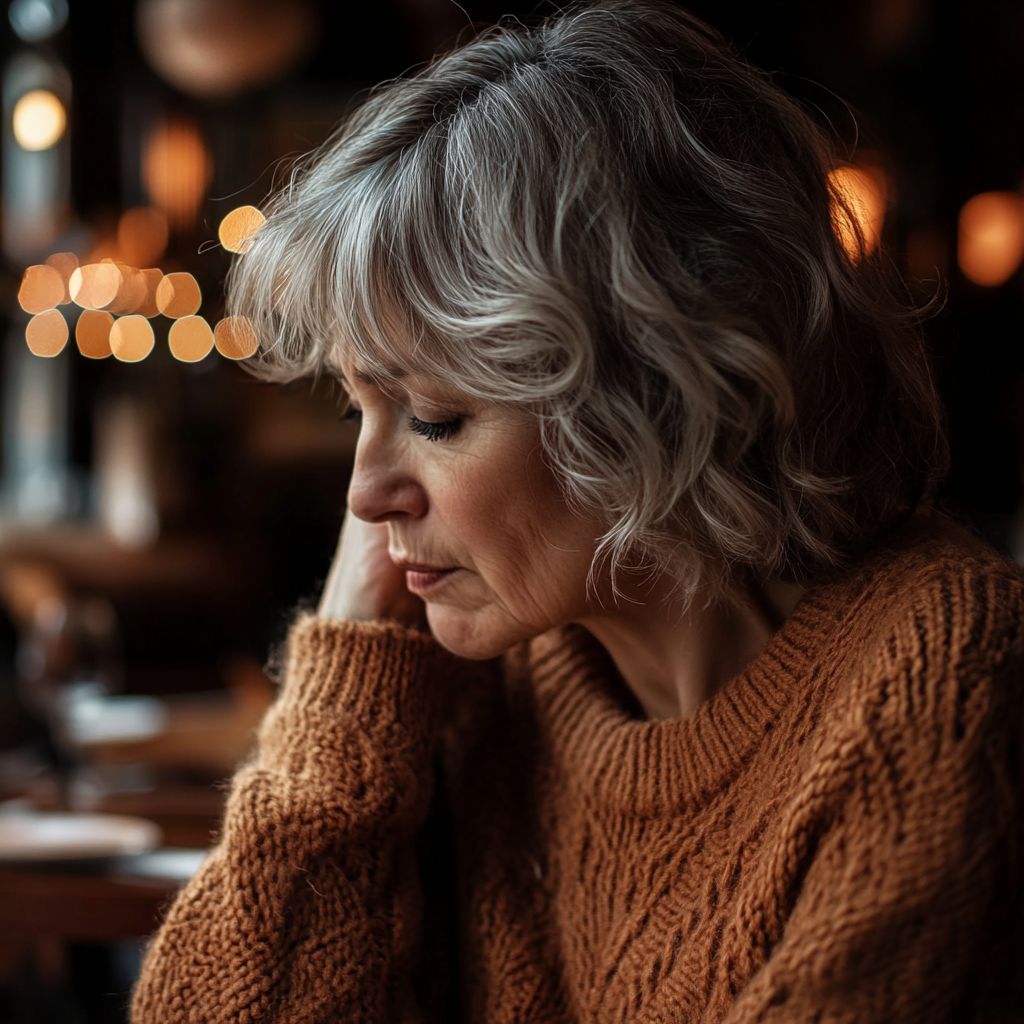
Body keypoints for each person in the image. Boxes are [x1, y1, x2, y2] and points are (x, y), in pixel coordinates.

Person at [131, 2, 1024, 1021]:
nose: (361, 491)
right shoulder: (480, 682)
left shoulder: (941, 673)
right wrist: (346, 666)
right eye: (358, 407)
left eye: (432, 415)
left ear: (657, 393)